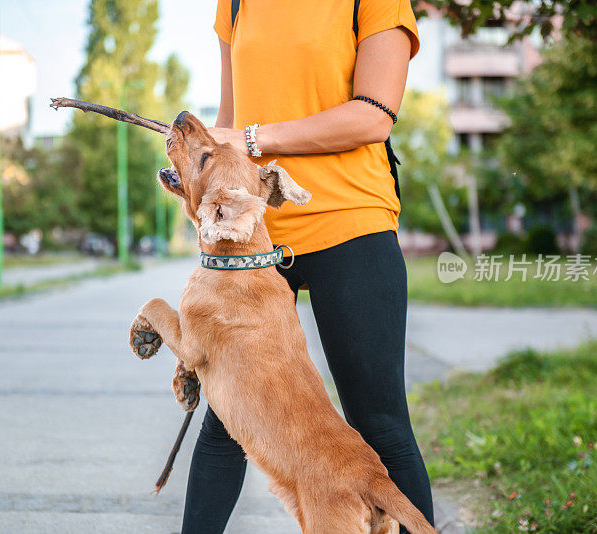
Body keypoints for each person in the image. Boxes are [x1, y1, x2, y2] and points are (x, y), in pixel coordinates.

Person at [181, 1, 434, 532]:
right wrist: (204, 187)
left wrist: (254, 140)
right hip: (258, 237)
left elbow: (373, 113)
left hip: (351, 220)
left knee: (379, 422)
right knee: (226, 423)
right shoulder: (236, 2)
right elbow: (228, 122)